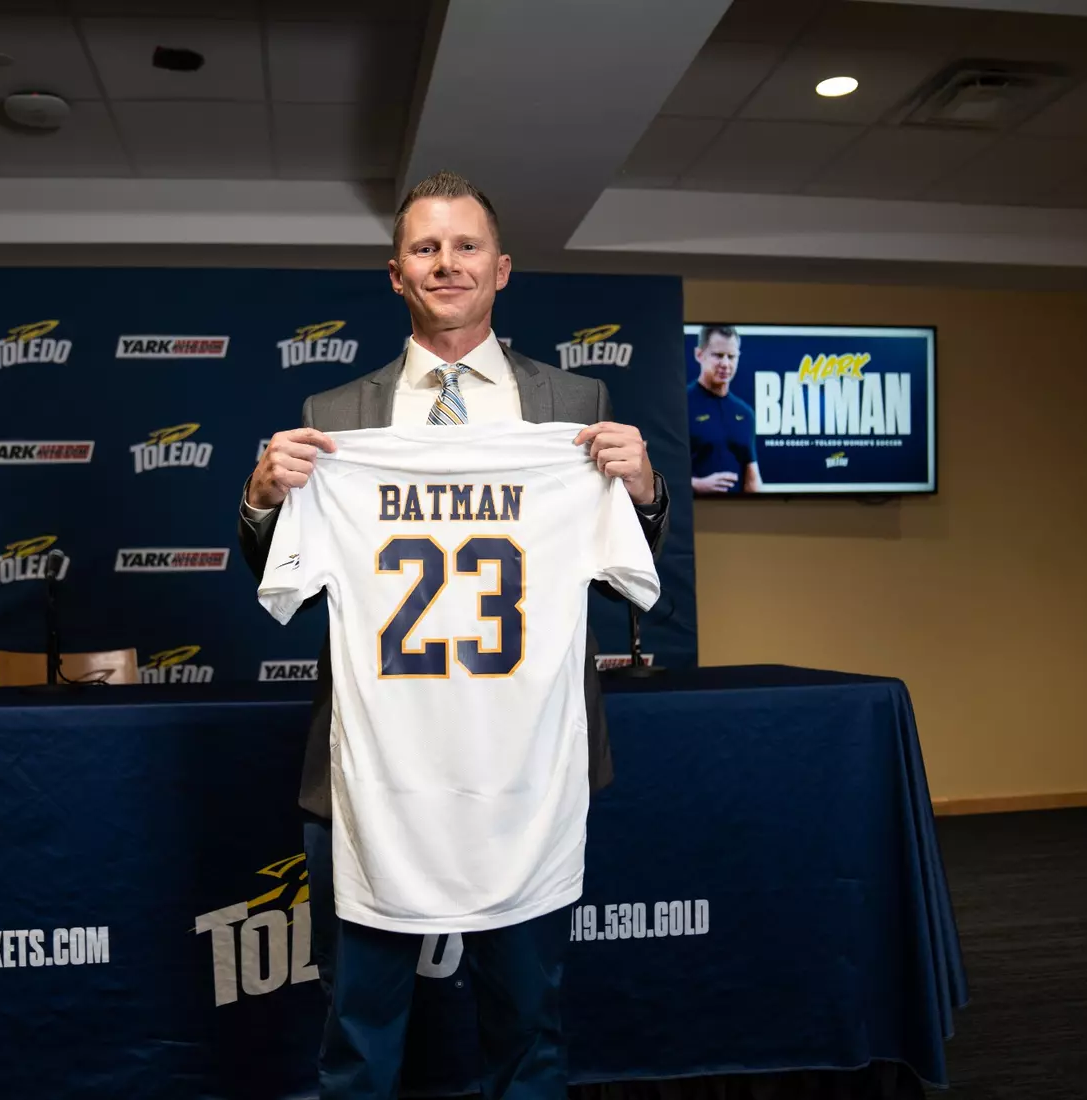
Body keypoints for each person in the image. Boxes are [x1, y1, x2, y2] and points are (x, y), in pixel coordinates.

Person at [237, 170, 669, 1099]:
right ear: (397, 273)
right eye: (425, 248)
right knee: (359, 1030)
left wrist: (641, 490)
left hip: (527, 768)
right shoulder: (333, 420)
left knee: (528, 1026)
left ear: (501, 268)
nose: (447, 263)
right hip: (372, 772)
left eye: (467, 246)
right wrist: (266, 499)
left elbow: (619, 569)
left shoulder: (577, 405)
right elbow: (292, 589)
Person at [687, 325, 761, 495]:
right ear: (699, 355)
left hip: (736, 511)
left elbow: (752, 477)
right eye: (718, 355)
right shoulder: (680, 405)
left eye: (731, 356)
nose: (725, 364)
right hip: (690, 509)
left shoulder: (745, 413)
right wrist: (696, 485)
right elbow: (655, 470)